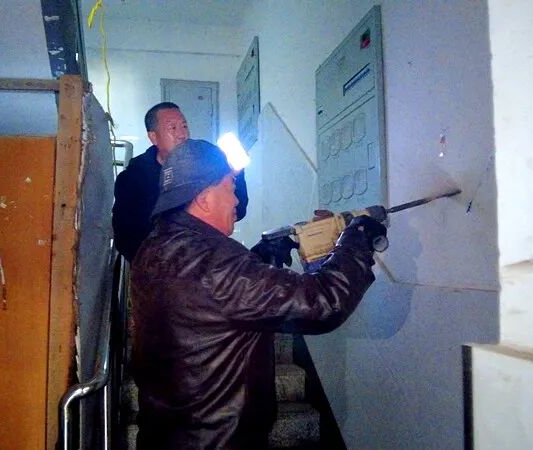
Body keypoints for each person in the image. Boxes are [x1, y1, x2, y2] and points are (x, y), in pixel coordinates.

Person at [131, 139, 386, 449]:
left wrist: (261, 256)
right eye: (230, 186)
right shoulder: (216, 262)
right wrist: (356, 240)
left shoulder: (153, 250)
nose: (236, 199)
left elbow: (208, 297)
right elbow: (323, 302)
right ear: (204, 198)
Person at [112, 102, 249, 262]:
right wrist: (157, 264)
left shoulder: (206, 164)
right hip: (159, 267)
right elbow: (125, 236)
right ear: (153, 137)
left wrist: (236, 175)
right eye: (173, 128)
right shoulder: (133, 179)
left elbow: (238, 210)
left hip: (207, 259)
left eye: (184, 126)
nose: (182, 134)